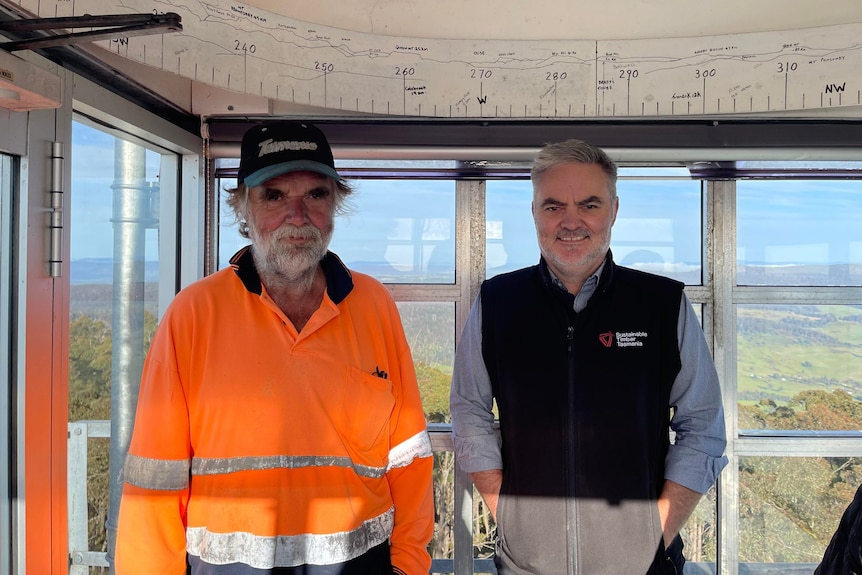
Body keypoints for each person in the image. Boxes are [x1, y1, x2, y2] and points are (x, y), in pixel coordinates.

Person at [115, 120, 435, 575]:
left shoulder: (373, 305)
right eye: (274, 196)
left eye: (316, 195)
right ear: (243, 208)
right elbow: (154, 483)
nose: (298, 216)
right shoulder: (193, 314)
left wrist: (408, 567)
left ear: (335, 204)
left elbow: (410, 458)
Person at [449, 139, 728, 575]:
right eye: (553, 206)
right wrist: (506, 509)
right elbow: (469, 408)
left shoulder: (662, 303)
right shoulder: (498, 301)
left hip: (642, 566)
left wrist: (657, 532)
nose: (571, 221)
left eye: (589, 205)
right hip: (526, 565)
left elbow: (703, 425)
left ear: (614, 210)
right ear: (535, 213)